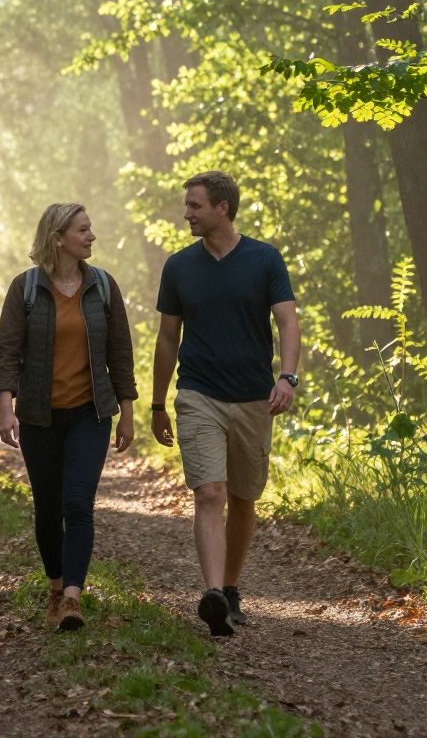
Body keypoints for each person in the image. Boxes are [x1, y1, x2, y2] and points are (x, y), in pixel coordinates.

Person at [149, 171, 300, 637]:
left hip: (254, 397)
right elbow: (168, 338)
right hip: (198, 394)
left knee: (243, 497)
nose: (187, 214)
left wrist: (288, 378)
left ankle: (231, 589)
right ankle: (212, 593)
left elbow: (288, 325)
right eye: (187, 205)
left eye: (194, 205)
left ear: (222, 208)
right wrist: (157, 404)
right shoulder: (179, 267)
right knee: (209, 493)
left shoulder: (264, 259)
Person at [0, 203, 137, 631]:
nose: (91, 236)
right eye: (83, 230)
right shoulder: (26, 288)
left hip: (89, 414)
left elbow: (121, 355)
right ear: (58, 237)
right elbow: (8, 354)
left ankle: (73, 597)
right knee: (47, 508)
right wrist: (6, 407)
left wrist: (126, 414)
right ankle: (55, 588)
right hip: (38, 417)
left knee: (78, 504)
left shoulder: (103, 287)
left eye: (90, 229)